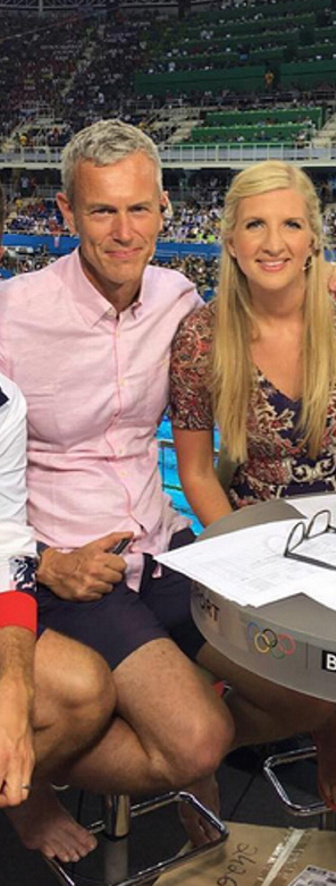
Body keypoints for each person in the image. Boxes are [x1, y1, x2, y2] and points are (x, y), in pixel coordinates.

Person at [0, 120, 336, 848]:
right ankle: (33, 788)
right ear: (65, 215)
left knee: (309, 693)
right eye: (101, 211)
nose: (123, 231)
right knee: (194, 740)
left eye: (138, 209)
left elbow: (276, 300)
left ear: (164, 207)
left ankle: (152, 736)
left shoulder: (179, 298)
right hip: (71, 572)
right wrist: (44, 562)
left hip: (162, 549)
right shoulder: (14, 316)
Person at [169, 160, 336, 823]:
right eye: (255, 224)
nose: (273, 242)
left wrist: (329, 526)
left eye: (290, 224)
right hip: (257, 519)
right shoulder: (200, 336)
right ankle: (330, 731)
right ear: (229, 239)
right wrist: (247, 545)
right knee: (300, 607)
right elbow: (194, 469)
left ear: (313, 238)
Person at [0, 182, 116, 863]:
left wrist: (11, 687)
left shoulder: (4, 403)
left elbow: (7, 539)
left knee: (78, 691)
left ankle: (25, 788)